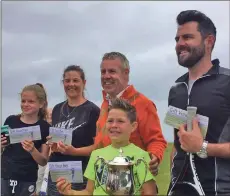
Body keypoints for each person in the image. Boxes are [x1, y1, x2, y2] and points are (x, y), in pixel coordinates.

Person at [168, 10, 230, 195]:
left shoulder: (227, 82)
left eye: (187, 37)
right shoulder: (176, 88)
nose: (180, 44)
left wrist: (203, 147)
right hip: (176, 189)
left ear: (208, 41)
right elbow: (178, 145)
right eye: (177, 39)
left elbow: (195, 145)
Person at [56, 98, 157, 195]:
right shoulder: (97, 155)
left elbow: (150, 192)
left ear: (133, 126)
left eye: (120, 121)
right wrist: (70, 192)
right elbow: (88, 192)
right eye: (110, 121)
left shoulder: (142, 156)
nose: (114, 125)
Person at [94, 52, 167, 176]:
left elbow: (156, 140)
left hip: (133, 183)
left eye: (112, 71)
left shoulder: (144, 104)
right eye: (103, 72)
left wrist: (154, 157)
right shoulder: (105, 104)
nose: (106, 76)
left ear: (126, 73)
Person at [47, 65, 100, 196]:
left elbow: (98, 148)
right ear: (63, 83)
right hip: (57, 171)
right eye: (67, 80)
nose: (71, 84)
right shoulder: (57, 109)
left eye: (75, 80)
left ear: (84, 83)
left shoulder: (93, 110)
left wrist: (74, 151)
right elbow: (57, 142)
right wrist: (53, 144)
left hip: (80, 173)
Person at [1, 83, 50, 196]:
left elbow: (43, 161)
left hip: (27, 178)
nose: (26, 104)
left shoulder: (45, 127)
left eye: (31, 101)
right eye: (23, 101)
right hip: (5, 175)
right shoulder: (11, 120)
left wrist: (32, 150)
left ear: (41, 104)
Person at [35, 107, 53, 195]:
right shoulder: (41, 128)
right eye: (48, 114)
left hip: (52, 160)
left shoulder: (56, 129)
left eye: (52, 114)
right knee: (40, 178)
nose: (50, 115)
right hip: (42, 159)